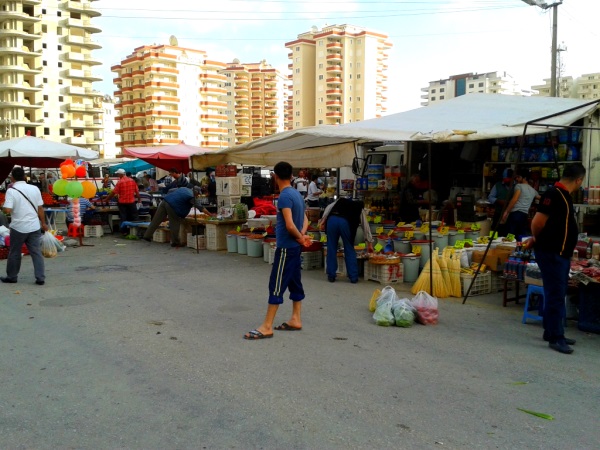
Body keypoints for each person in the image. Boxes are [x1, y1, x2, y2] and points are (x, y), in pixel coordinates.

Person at [244, 161, 311, 340]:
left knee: (276, 285)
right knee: (295, 282)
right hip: (295, 248)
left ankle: (267, 326)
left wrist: (298, 237)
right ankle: (296, 318)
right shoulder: (296, 194)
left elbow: (289, 225)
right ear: (291, 175)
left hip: (286, 249)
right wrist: (302, 236)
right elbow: (305, 220)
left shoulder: (284, 197)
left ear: (275, 176)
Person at [529, 163, 586, 354]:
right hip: (552, 252)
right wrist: (539, 239)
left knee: (555, 292)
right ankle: (556, 337)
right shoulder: (553, 194)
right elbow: (537, 223)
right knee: (556, 295)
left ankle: (551, 330)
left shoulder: (563, 195)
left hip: (559, 253)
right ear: (579, 180)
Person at [1, 166, 48, 285]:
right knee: (36, 252)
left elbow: (7, 210)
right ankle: (40, 277)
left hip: (18, 227)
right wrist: (43, 223)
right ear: (24, 176)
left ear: (12, 177)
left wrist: (3, 205)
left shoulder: (11, 191)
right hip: (34, 226)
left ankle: (12, 276)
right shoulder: (34, 189)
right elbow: (40, 208)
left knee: (15, 252)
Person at [320, 197, 374, 283]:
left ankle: (331, 275)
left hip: (332, 220)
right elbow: (365, 226)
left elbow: (328, 209)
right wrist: (370, 243)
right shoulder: (359, 207)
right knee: (349, 248)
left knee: (331, 247)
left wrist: (323, 221)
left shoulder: (339, 201)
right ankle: (353, 277)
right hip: (344, 223)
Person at [142, 186, 213, 247]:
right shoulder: (191, 196)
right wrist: (211, 215)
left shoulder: (184, 188)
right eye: (198, 194)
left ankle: (147, 235)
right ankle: (175, 242)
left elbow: (171, 190)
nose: (198, 196)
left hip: (165, 201)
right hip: (172, 206)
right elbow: (201, 208)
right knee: (174, 223)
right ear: (196, 192)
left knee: (156, 220)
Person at [501, 168, 539, 240]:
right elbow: (540, 198)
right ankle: (521, 251)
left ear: (524, 178)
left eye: (518, 177)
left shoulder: (519, 186)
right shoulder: (533, 190)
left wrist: (506, 212)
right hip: (524, 216)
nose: (516, 179)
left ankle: (510, 250)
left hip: (515, 215)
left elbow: (514, 200)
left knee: (510, 237)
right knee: (521, 238)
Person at [103, 168, 141, 235]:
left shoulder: (120, 182)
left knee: (123, 217)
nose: (117, 175)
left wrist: (107, 199)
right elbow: (137, 191)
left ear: (120, 174)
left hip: (122, 202)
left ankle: (124, 232)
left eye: (118, 174)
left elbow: (113, 192)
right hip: (131, 202)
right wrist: (139, 199)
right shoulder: (132, 180)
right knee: (134, 216)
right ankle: (136, 231)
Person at [488, 168, 513, 233]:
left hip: (512, 215)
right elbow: (490, 197)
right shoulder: (497, 185)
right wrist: (498, 201)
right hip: (499, 213)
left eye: (507, 180)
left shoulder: (516, 186)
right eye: (504, 179)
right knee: (497, 233)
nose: (505, 181)